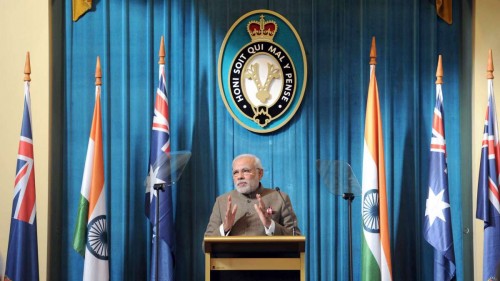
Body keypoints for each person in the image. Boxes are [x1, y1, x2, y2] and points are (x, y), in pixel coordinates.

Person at [204, 154, 300, 236]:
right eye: (235, 173)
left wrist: (270, 224)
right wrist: (224, 228)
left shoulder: (280, 198)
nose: (240, 177)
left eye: (245, 171)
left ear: (260, 173)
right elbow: (206, 244)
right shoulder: (221, 201)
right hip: (231, 258)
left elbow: (295, 237)